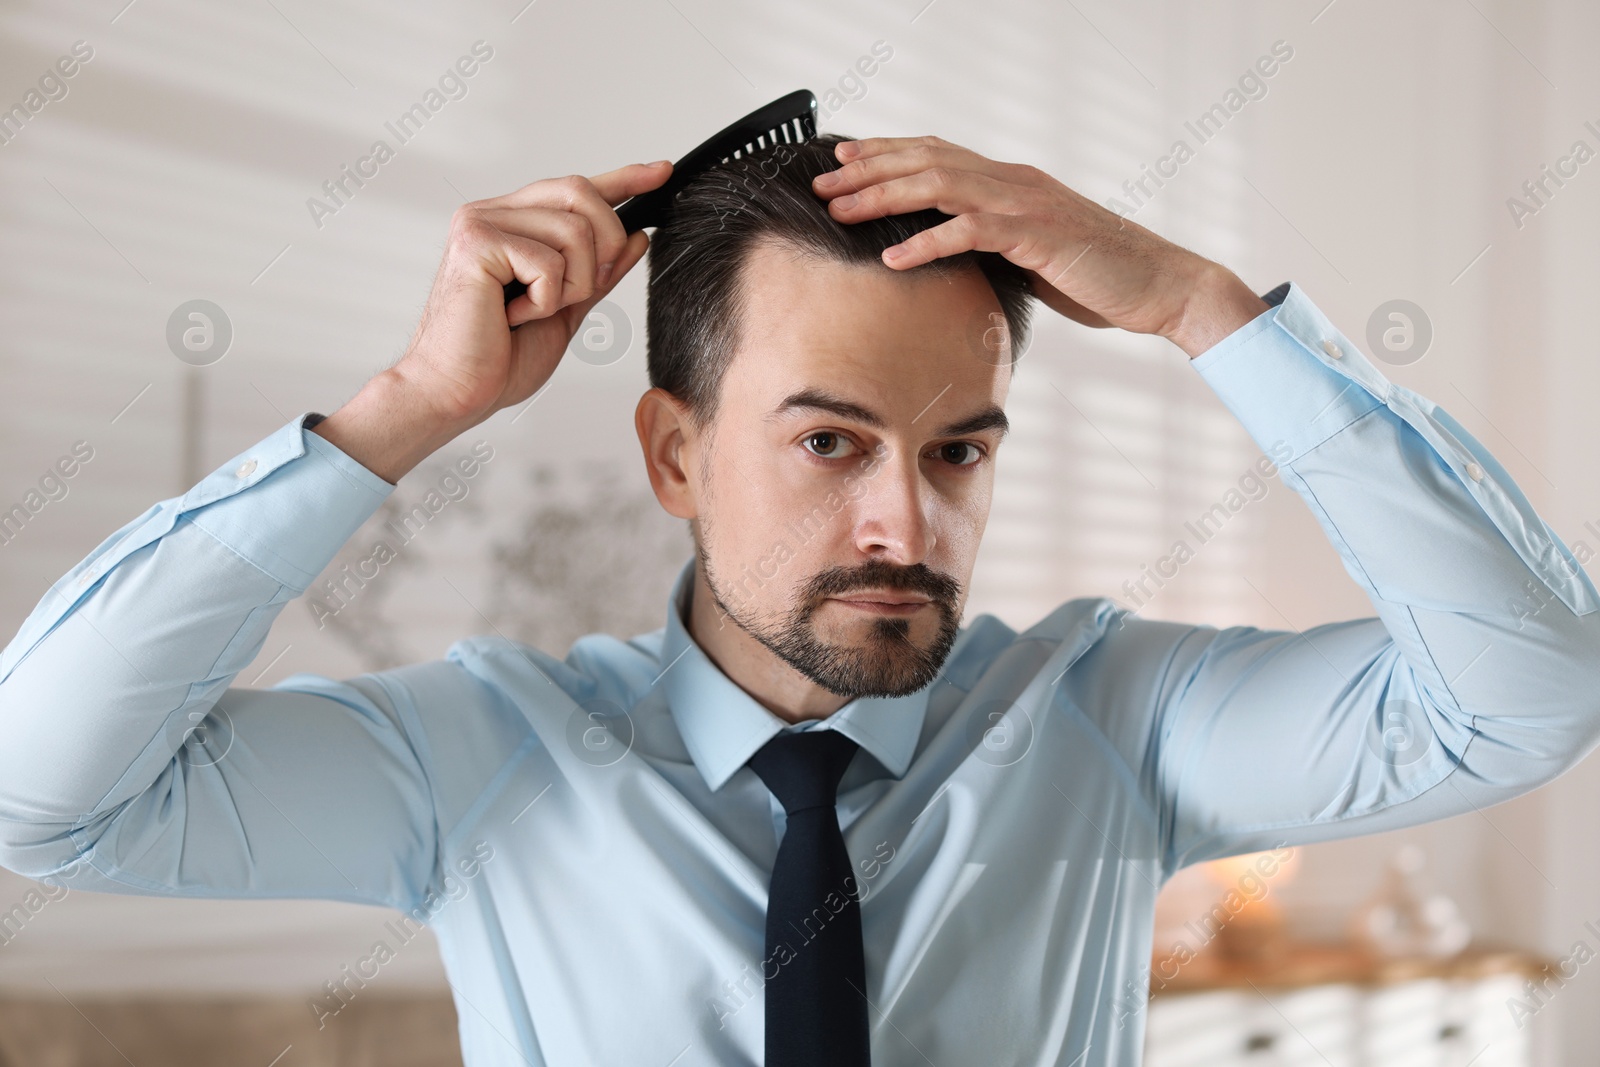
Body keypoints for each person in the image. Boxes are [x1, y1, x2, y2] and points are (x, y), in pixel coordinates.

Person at [0, 131, 1596, 1067]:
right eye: (830, 440)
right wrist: (413, 405)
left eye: (958, 448)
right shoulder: (480, 760)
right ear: (675, 454)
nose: (907, 519)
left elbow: (1531, 695)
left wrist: (1205, 310)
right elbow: (41, 796)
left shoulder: (1115, 721)